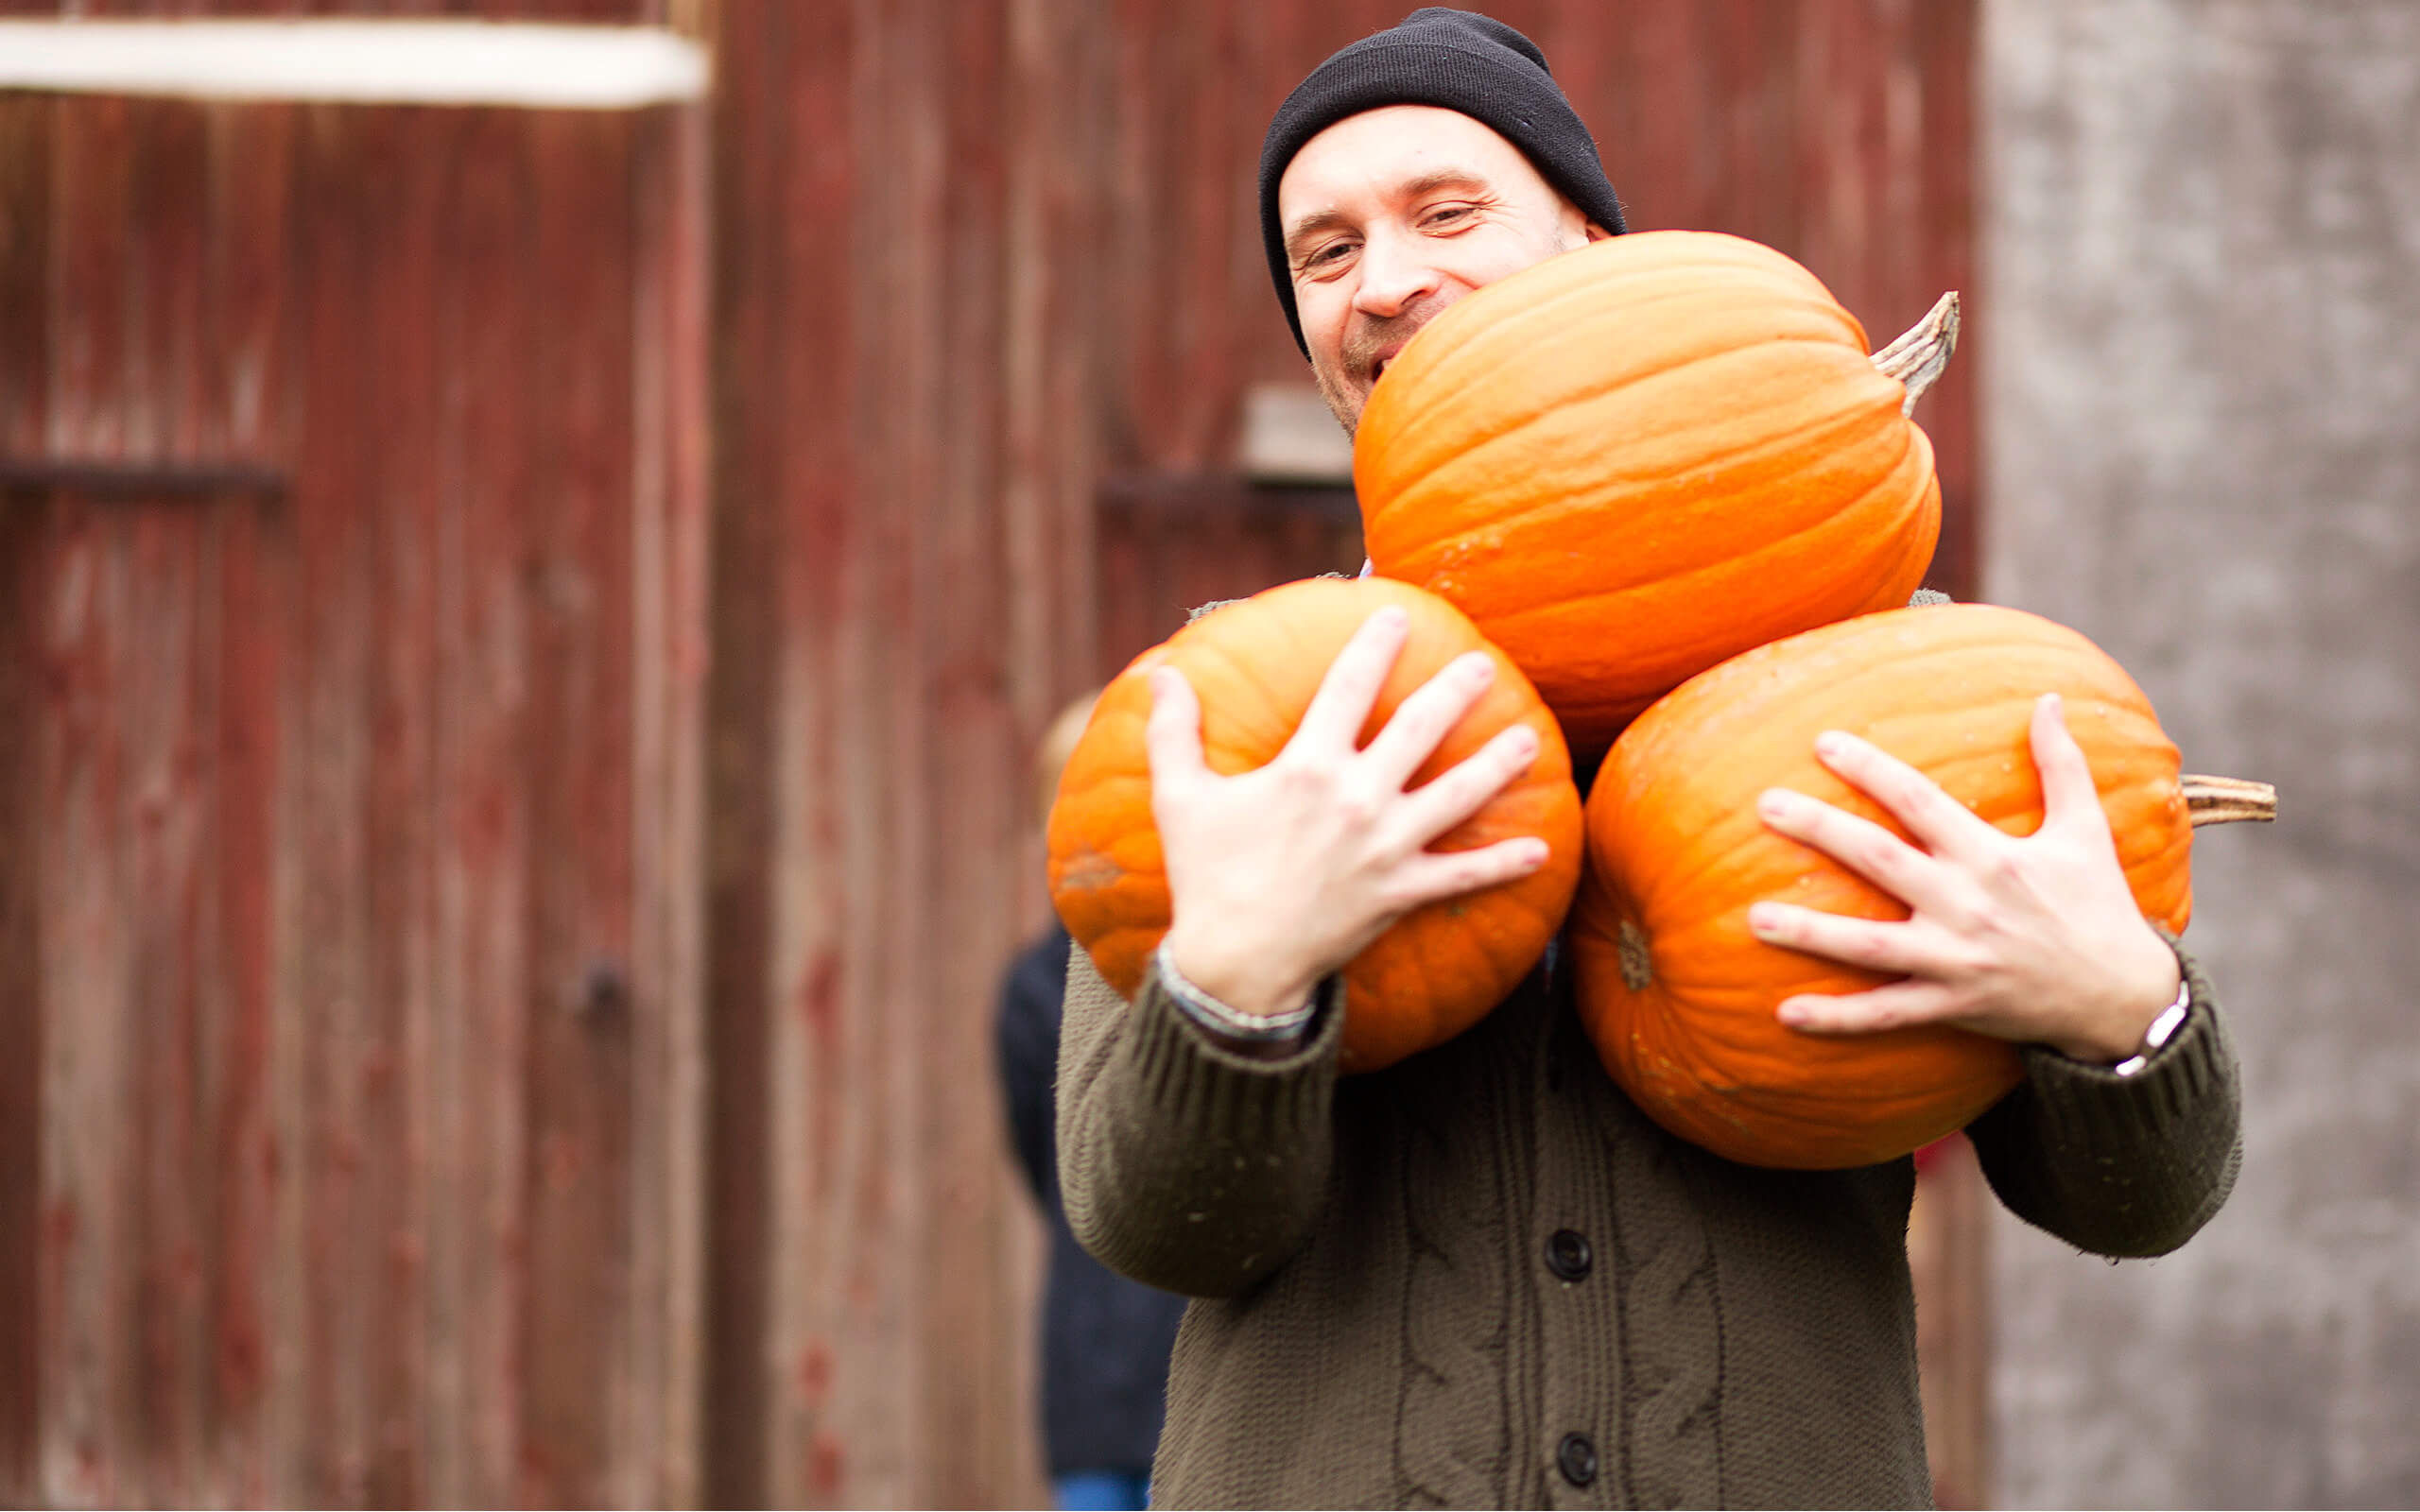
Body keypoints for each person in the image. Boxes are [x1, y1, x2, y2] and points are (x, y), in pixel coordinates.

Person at [1054, 9, 2241, 1509]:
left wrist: (2118, 1015)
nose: (1388, 280)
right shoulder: (1226, 718)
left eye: (1447, 212)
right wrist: (1237, 986)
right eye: (1327, 252)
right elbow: (1149, 1223)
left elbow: (2144, 1201)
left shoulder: (1896, 675)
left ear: (1594, 254)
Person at [998, 692, 1188, 1511]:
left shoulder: (1213, 967)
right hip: (1093, 1364)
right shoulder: (1037, 987)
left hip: (1196, 1357)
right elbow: (1051, 1161)